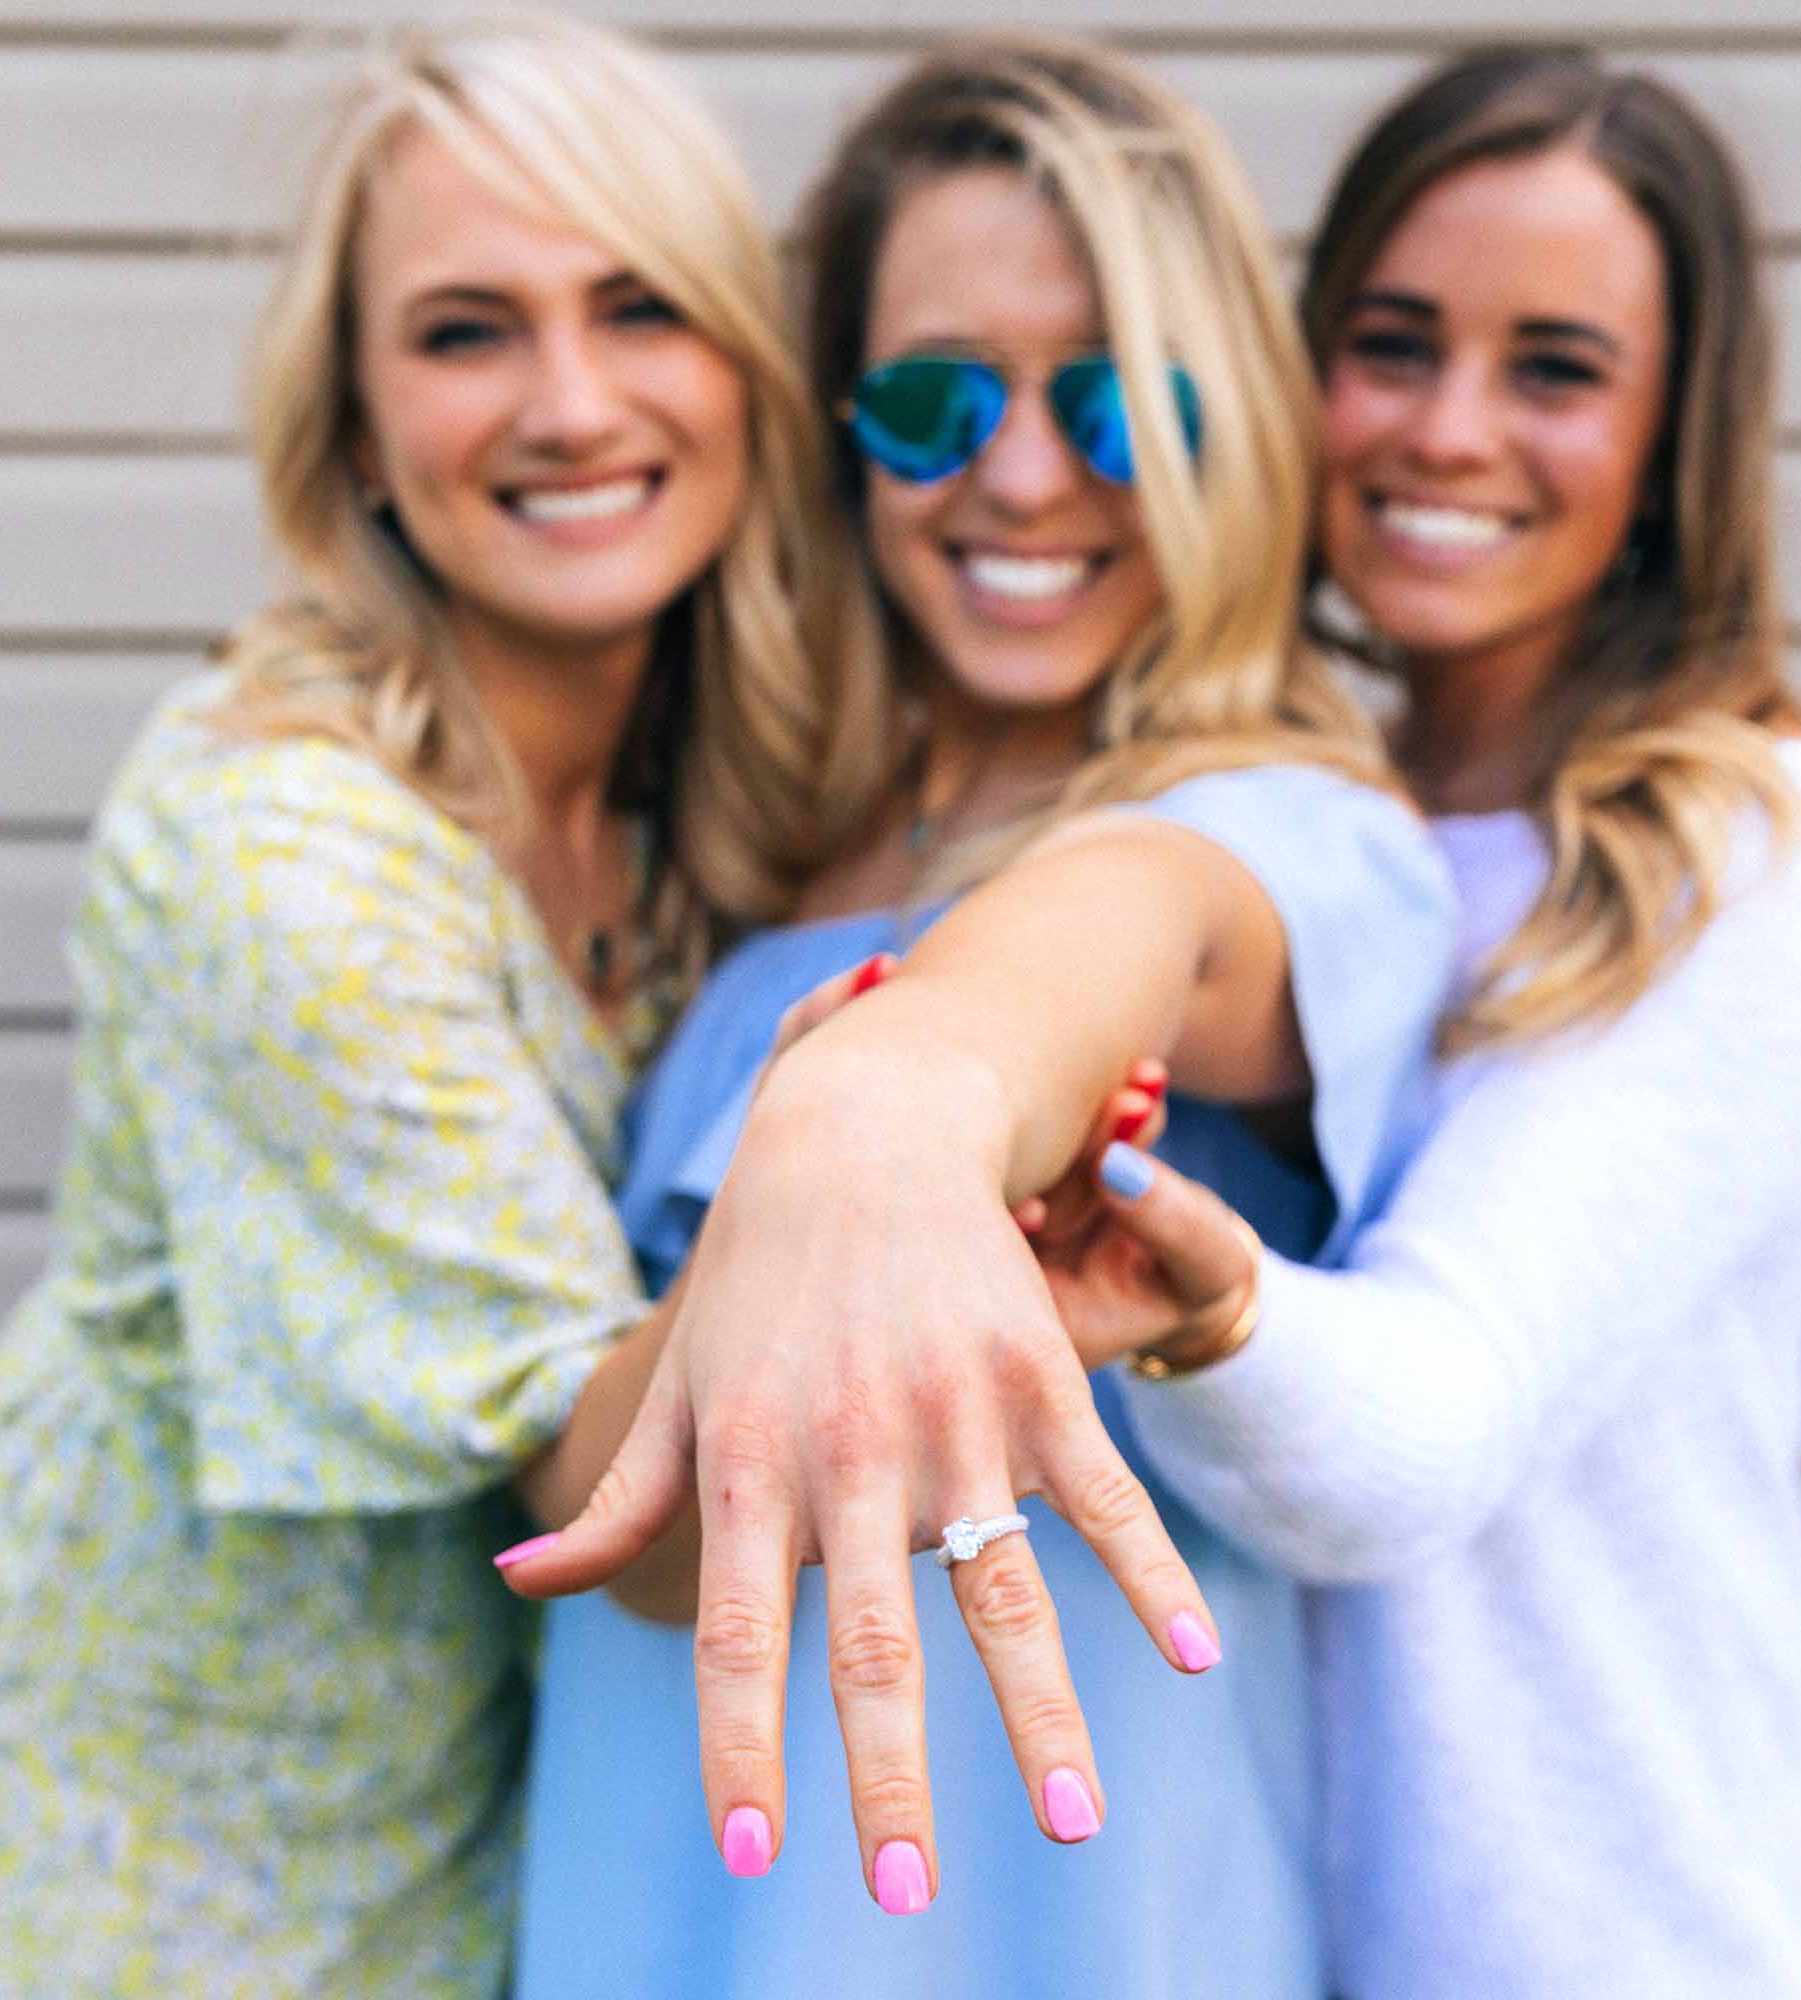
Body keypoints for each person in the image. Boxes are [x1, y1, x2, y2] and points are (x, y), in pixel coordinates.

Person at [505, 37, 1453, 1999]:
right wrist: (777, 1218)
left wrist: (888, 1097)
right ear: (843, 430)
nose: (1022, 474)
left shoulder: (1294, 832)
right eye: (937, 401)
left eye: (1113, 402)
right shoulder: (750, 867)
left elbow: (1135, 916)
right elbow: (622, 1526)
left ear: (1225, 429)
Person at [1020, 48, 1801, 2000]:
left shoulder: (1769, 854)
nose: (1448, 430)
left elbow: (1425, 1421)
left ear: (1675, 428)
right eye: (1394, 341)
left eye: (1552, 369)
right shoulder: (1259, 832)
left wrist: (1210, 1310)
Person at [0, 17, 869, 1992]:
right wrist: (836, 1181)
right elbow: (610, 1504)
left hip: (487, 1856)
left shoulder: (696, 803)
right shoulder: (283, 857)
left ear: (744, 363)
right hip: (174, 1892)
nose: (570, 401)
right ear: (360, 426)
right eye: (468, 331)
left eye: (640, 306)